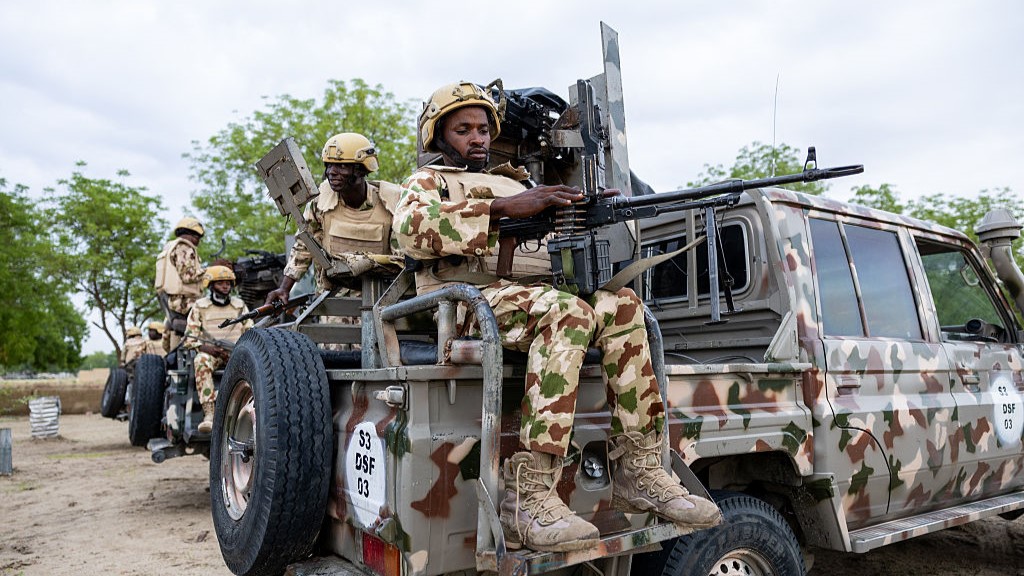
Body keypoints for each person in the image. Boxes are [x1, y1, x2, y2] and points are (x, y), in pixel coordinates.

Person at [393, 81, 721, 552]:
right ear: (439, 136)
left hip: (528, 297)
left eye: (484, 129)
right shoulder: (429, 182)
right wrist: (505, 210)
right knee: (567, 312)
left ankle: (642, 470)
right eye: (463, 129)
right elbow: (411, 231)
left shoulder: (519, 181)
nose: (478, 138)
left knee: (624, 304)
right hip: (466, 304)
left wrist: (579, 211)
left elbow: (553, 242)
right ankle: (528, 499)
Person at [264, 132, 402, 306]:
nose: (331, 172)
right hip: (333, 305)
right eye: (328, 165)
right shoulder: (320, 202)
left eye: (342, 166)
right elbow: (304, 246)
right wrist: (284, 288)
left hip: (381, 303)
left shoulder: (390, 202)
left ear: (360, 169)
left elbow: (402, 260)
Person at [183, 265, 253, 434]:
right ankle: (209, 414)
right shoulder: (200, 306)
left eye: (228, 283)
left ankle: (246, 415)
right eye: (220, 282)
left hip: (236, 353)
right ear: (211, 284)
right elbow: (190, 337)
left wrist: (239, 351)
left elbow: (250, 332)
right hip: (211, 353)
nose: (225, 286)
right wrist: (207, 348)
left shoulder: (239, 305)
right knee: (200, 361)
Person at [155, 217, 207, 350]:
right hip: (185, 301)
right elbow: (187, 276)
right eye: (197, 237)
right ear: (191, 234)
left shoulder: (170, 247)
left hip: (173, 300)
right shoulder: (184, 248)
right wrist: (210, 271)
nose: (198, 241)